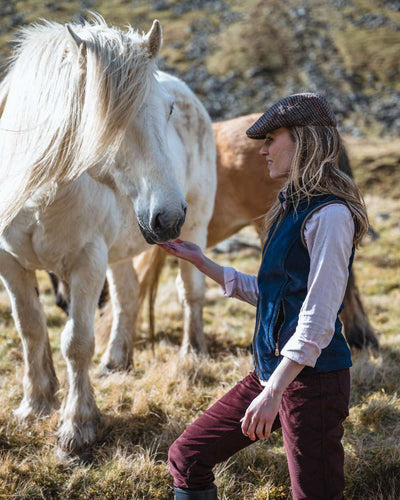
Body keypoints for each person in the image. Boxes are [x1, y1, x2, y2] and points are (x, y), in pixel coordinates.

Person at [158, 93, 368, 500]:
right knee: (187, 457)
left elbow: (319, 317)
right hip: (273, 372)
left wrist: (273, 393)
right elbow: (278, 295)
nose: (263, 149)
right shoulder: (291, 206)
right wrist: (206, 264)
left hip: (313, 384)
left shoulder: (331, 216)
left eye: (272, 139)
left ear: (304, 141)